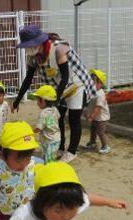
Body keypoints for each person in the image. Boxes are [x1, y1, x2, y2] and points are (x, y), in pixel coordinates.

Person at [12, 24, 97, 163]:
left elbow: (65, 76)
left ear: (38, 41)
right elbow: (28, 79)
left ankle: (72, 151)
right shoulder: (34, 58)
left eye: (30, 45)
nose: (28, 49)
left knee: (74, 120)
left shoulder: (58, 49)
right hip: (57, 89)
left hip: (75, 86)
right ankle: (61, 147)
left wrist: (55, 100)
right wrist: (17, 100)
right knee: (57, 119)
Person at [83, 69, 111, 155]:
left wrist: (91, 116)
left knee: (101, 131)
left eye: (93, 82)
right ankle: (92, 143)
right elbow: (91, 105)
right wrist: (88, 113)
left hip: (101, 118)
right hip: (96, 117)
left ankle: (106, 145)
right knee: (93, 130)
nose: (91, 84)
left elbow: (98, 108)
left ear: (100, 83)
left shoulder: (100, 94)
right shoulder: (94, 92)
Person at [32, 85, 61, 164]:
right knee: (49, 157)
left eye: (38, 100)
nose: (37, 103)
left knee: (49, 161)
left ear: (43, 100)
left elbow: (39, 128)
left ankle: (50, 173)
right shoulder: (55, 109)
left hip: (49, 140)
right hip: (55, 138)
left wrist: (30, 132)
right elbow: (58, 117)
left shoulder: (43, 113)